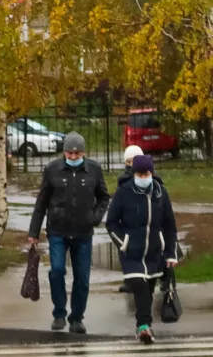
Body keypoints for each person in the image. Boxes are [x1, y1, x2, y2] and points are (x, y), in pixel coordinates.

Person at [25, 132, 109, 333]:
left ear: (83, 152)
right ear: (64, 152)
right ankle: (59, 313)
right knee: (57, 271)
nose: (72, 157)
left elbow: (104, 198)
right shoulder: (53, 169)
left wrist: (94, 217)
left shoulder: (93, 170)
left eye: (76, 153)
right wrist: (33, 231)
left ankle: (77, 318)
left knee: (82, 277)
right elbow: (42, 202)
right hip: (58, 231)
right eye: (69, 153)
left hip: (83, 233)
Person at [106, 155, 179, 344]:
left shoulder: (160, 192)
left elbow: (170, 225)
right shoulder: (124, 192)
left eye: (146, 173)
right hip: (132, 252)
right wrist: (123, 242)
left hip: (155, 251)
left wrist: (171, 253)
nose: (143, 176)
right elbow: (111, 222)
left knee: (148, 288)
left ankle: (144, 326)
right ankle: (144, 326)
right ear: (133, 173)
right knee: (138, 285)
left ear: (152, 173)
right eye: (139, 173)